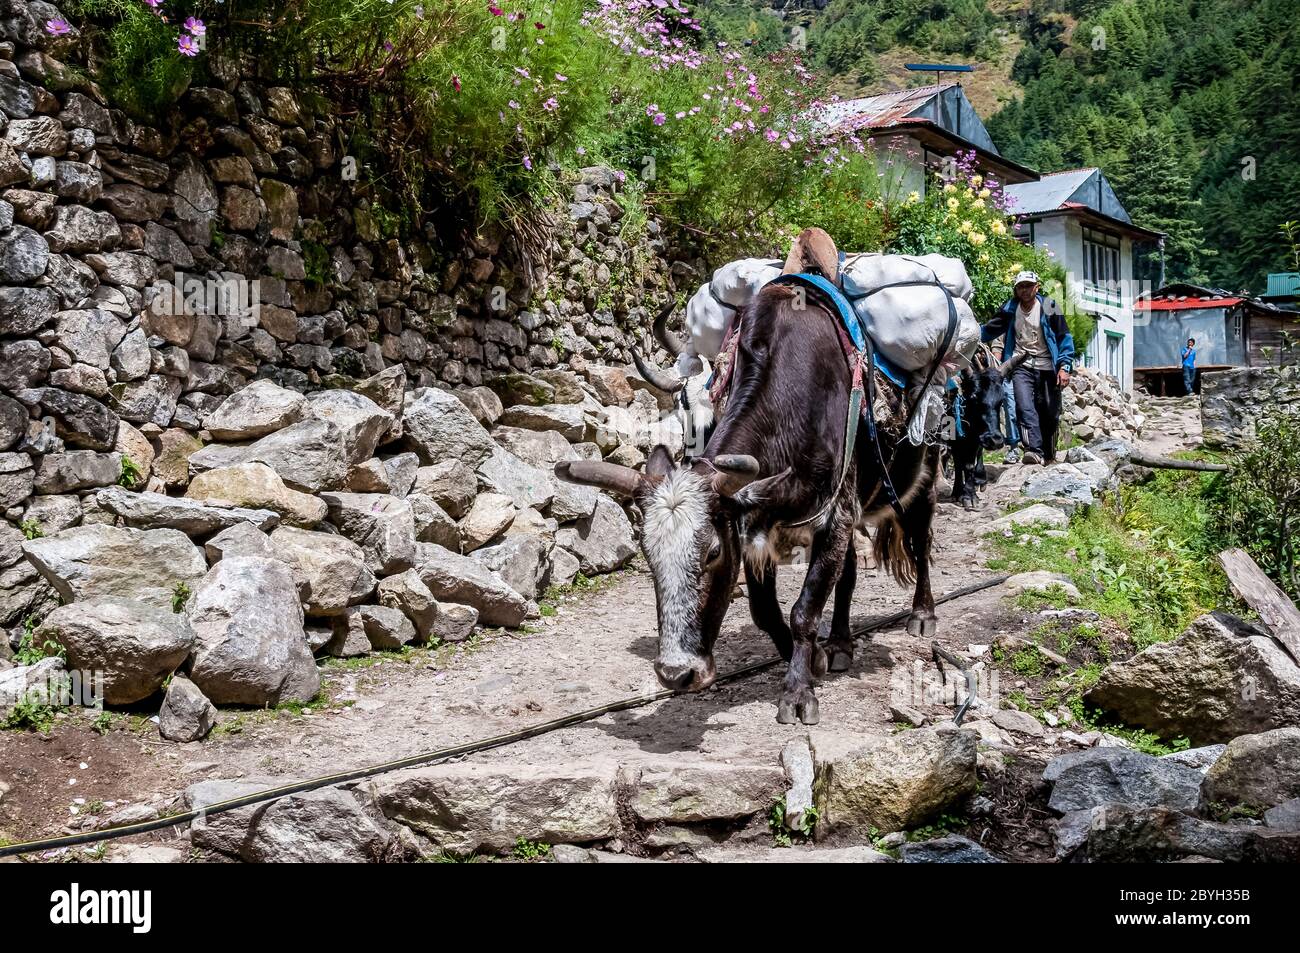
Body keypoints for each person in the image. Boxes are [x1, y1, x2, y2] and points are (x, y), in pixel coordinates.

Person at [980, 271, 1074, 465]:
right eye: (1021, 286)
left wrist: (1065, 366)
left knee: (1050, 412)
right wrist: (969, 336)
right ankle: (1034, 450)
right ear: (1016, 289)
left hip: (1048, 366)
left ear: (1036, 287)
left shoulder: (1049, 306)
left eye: (1028, 286)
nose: (1025, 290)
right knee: (1024, 407)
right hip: (1021, 364)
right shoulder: (1010, 308)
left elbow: (1063, 336)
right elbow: (989, 330)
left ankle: (1048, 453)